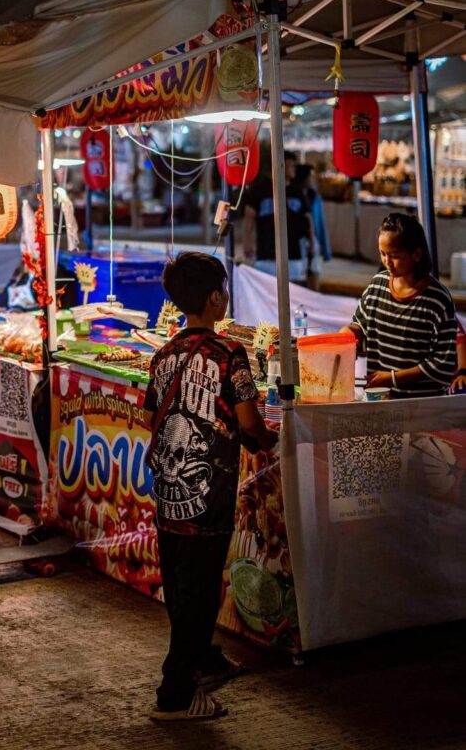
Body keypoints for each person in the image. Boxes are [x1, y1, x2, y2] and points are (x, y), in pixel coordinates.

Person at [144, 252, 278, 722]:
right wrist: (266, 440)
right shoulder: (229, 355)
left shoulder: (164, 354)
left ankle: (200, 657)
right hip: (210, 496)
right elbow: (250, 422)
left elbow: (148, 418)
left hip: (166, 494)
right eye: (223, 290)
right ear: (214, 297)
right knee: (199, 590)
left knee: (182, 584)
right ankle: (174, 694)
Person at [343, 213, 456, 397]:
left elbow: (442, 365)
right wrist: (350, 332)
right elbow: (360, 325)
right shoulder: (377, 285)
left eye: (394, 255)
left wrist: (393, 378)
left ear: (417, 254)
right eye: (382, 253)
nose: (387, 261)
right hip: (380, 398)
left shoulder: (438, 300)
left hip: (422, 405)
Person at [243, 151, 314, 283]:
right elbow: (249, 216)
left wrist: (312, 243)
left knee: (294, 292)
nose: (294, 169)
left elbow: (308, 218)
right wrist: (247, 242)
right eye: (291, 165)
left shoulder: (297, 191)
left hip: (293, 253)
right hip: (266, 252)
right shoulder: (260, 190)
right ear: (281, 165)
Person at [293, 163, 331, 291]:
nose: (313, 179)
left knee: (314, 271)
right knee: (299, 275)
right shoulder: (294, 195)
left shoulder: (314, 196)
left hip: (312, 238)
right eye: (310, 176)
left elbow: (320, 223)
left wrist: (324, 247)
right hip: (298, 239)